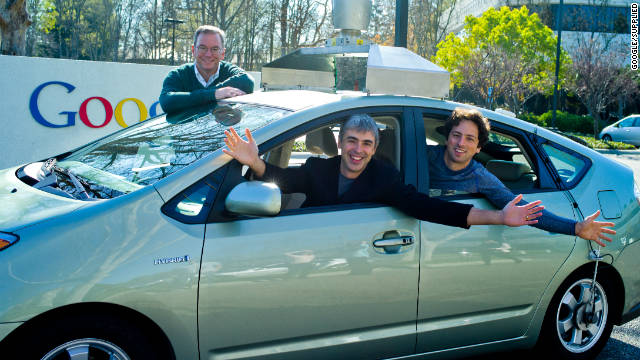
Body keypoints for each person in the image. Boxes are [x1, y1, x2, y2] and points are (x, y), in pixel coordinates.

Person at [222, 114, 546, 229]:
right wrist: (253, 161)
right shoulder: (317, 168)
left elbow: (430, 208)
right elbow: (282, 178)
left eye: (366, 143)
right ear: (340, 141)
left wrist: (500, 217)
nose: (357, 150)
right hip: (315, 250)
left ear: (374, 148)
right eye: (351, 141)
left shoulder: (384, 179)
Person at [427, 107, 616, 246]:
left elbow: (526, 210)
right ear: (447, 137)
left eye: (470, 138)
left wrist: (576, 228)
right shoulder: (422, 156)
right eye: (456, 135)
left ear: (478, 148)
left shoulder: (480, 177)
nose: (461, 143)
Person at [159, 25, 254, 114]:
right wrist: (214, 94)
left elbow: (247, 81)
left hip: (225, 132)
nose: (208, 54)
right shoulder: (178, 75)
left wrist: (195, 98)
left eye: (215, 49)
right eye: (202, 48)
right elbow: (166, 101)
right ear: (193, 50)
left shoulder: (229, 71)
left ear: (223, 53)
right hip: (189, 132)